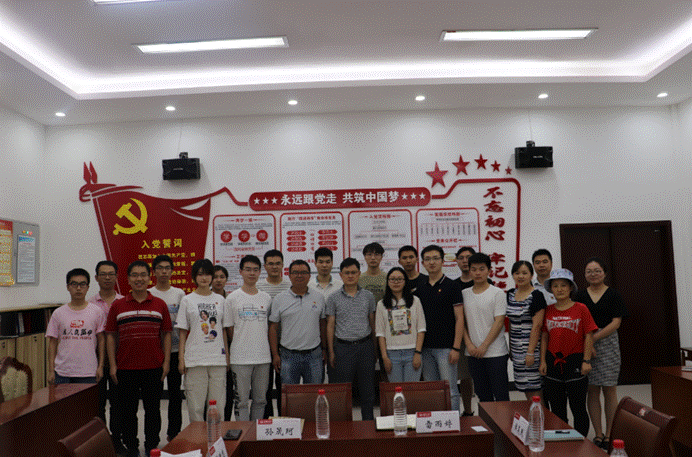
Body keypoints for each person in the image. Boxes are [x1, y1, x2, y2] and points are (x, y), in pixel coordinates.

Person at [106, 261, 172, 457]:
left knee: (153, 410)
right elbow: (111, 335)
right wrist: (113, 365)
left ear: (149, 278)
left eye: (143, 275)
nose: (139, 279)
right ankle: (132, 447)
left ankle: (152, 445)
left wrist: (166, 362)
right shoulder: (118, 305)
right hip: (126, 368)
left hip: (154, 366)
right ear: (128, 279)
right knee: (128, 411)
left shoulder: (160, 304)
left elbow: (167, 334)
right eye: (134, 275)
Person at [574, 257, 626, 450]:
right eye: (589, 271)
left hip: (608, 342)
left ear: (604, 273)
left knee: (609, 389)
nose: (593, 274)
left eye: (597, 271)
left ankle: (611, 433)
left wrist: (593, 339)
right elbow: (577, 321)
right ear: (585, 274)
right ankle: (598, 433)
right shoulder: (579, 295)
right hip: (586, 341)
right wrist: (588, 343)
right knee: (592, 389)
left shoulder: (613, 294)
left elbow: (616, 322)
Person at [539, 269, 597, 437]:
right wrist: (543, 361)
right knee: (557, 408)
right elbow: (544, 337)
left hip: (575, 361)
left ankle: (581, 441)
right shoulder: (548, 310)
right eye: (555, 286)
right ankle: (562, 440)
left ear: (571, 288)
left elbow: (589, 335)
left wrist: (586, 360)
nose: (560, 289)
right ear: (551, 289)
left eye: (563, 285)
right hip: (552, 361)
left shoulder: (581, 308)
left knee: (578, 407)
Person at [177, 259, 230, 423]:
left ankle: (216, 437)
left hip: (217, 360)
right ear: (194, 277)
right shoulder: (187, 300)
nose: (204, 278)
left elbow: (223, 330)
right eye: (200, 274)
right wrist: (181, 359)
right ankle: (197, 437)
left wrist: (227, 357)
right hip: (195, 360)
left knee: (218, 407)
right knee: (196, 408)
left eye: (207, 274)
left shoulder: (221, 300)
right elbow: (182, 332)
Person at [326, 257, 377, 420]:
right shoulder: (333, 298)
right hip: (343, 348)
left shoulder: (368, 296)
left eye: (353, 272)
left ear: (359, 274)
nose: (350, 276)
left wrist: (375, 348)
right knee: (344, 392)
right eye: (346, 273)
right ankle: (345, 427)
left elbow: (372, 322)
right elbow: (330, 326)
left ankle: (368, 425)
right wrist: (331, 351)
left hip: (365, 346)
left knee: (367, 391)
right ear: (341, 275)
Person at [416, 245, 463, 414]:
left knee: (450, 390)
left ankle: (454, 423)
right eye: (428, 259)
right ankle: (437, 422)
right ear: (423, 263)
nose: (432, 262)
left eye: (436, 258)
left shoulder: (452, 286)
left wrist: (456, 348)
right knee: (434, 390)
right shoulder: (420, 288)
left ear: (443, 261)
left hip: (446, 348)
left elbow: (460, 318)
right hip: (426, 349)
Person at [226, 255, 272, 421]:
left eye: (255, 270)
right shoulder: (232, 298)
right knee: (241, 402)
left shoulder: (266, 298)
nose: (252, 273)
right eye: (248, 269)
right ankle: (244, 433)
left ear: (260, 272)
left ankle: (256, 433)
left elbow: (269, 327)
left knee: (260, 400)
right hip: (240, 358)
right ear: (240, 271)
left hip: (263, 357)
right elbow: (230, 328)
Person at [269, 260, 327, 385]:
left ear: (309, 276)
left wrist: (324, 348)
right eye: (295, 272)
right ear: (289, 275)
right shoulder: (279, 299)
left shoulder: (319, 297)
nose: (299, 275)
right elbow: (273, 328)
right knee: (290, 393)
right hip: (288, 355)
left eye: (304, 272)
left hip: (314, 354)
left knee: (313, 393)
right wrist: (275, 354)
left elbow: (322, 325)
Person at [462, 252, 510, 402]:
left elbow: (499, 322)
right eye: (474, 269)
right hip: (473, 353)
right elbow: (461, 322)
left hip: (496, 352)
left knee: (501, 395)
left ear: (489, 270)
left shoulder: (498, 293)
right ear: (469, 271)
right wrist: (469, 345)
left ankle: (503, 419)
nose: (478, 273)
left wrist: (484, 346)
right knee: (483, 396)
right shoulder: (464, 294)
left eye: (482, 269)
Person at [148, 254, 185, 442]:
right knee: (153, 396)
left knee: (175, 394)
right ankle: (153, 435)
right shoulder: (149, 293)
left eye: (167, 268)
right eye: (160, 268)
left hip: (176, 350)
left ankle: (174, 433)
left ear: (172, 271)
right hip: (155, 351)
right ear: (154, 271)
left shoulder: (179, 294)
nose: (164, 271)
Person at [47, 268, 105, 384]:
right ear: (68, 287)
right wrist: (51, 370)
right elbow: (52, 343)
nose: (78, 288)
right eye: (74, 284)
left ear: (87, 287)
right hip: (62, 372)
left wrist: (100, 366)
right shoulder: (58, 313)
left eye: (82, 284)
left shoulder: (97, 312)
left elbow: (101, 340)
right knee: (61, 397)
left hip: (88, 372)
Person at [88, 260, 124, 452]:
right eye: (103, 274)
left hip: (120, 359)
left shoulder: (124, 302)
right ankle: (100, 443)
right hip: (95, 360)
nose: (107, 277)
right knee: (98, 403)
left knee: (118, 403)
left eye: (111, 274)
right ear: (96, 277)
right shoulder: (89, 304)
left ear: (117, 277)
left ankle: (116, 441)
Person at [375, 267, 426, 382]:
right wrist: (384, 357)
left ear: (405, 281)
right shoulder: (381, 304)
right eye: (392, 279)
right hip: (391, 354)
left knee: (411, 390)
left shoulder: (415, 301)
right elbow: (380, 333)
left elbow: (421, 329)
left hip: (412, 352)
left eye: (399, 279)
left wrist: (418, 353)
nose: (396, 282)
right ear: (388, 282)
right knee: (396, 390)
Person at [256, 249, 290, 419]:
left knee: (283, 386)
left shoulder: (290, 286)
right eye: (271, 264)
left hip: (286, 344)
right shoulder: (258, 287)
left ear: (283, 265)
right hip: (263, 344)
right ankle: (267, 422)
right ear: (265, 266)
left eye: (278, 263)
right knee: (265, 388)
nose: (274, 267)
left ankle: (284, 422)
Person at [453, 246, 487, 415]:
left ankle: (487, 412)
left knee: (482, 378)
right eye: (461, 257)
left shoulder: (486, 283)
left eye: (468, 257)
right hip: (461, 337)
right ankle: (467, 411)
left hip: (483, 337)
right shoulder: (453, 285)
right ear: (456, 261)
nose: (465, 260)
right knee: (465, 377)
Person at [506, 260, 546, 400]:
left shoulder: (536, 296)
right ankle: (532, 413)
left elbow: (537, 326)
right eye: (517, 273)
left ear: (531, 275)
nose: (521, 276)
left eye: (524, 273)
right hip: (516, 350)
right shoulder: (510, 294)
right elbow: (511, 323)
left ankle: (538, 414)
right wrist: (511, 349)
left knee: (535, 388)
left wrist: (530, 352)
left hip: (531, 349)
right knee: (524, 386)